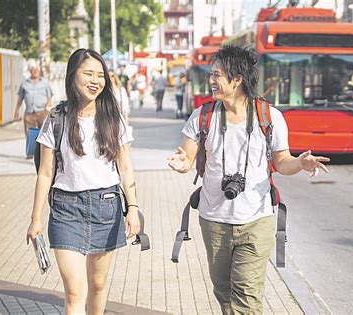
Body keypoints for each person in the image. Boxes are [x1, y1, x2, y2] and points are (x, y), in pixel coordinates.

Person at [167, 45, 330, 314]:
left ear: (237, 79)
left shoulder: (270, 117)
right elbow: (187, 156)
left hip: (256, 219)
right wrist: (180, 163)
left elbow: (282, 162)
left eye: (217, 75)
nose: (212, 81)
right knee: (223, 290)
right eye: (211, 74)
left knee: (247, 294)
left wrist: (300, 163)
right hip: (214, 219)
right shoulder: (203, 116)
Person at [26, 48, 140, 314]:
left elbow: (125, 166)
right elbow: (45, 173)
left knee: (98, 284)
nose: (95, 81)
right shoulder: (56, 120)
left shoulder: (113, 118)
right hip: (66, 211)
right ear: (72, 76)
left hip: (106, 207)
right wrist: (35, 219)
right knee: (75, 290)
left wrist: (133, 208)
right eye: (88, 73)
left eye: (100, 75)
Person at [14, 63, 53, 158]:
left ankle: (42, 153)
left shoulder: (44, 82)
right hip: (29, 113)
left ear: (39, 70)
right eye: (32, 70)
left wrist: (48, 107)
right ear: (29, 71)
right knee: (29, 134)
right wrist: (17, 110)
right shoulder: (24, 83)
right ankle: (30, 153)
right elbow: (20, 97)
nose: (35, 71)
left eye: (36, 69)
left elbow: (49, 96)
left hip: (42, 112)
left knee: (44, 133)